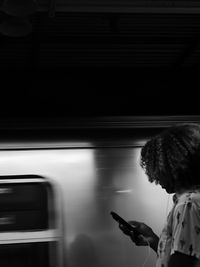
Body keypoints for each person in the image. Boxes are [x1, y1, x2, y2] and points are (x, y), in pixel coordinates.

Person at [119, 123, 200, 267]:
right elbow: (186, 251)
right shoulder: (194, 200)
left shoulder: (187, 204)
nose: (155, 179)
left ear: (173, 166)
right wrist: (152, 238)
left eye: (157, 169)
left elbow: (183, 262)